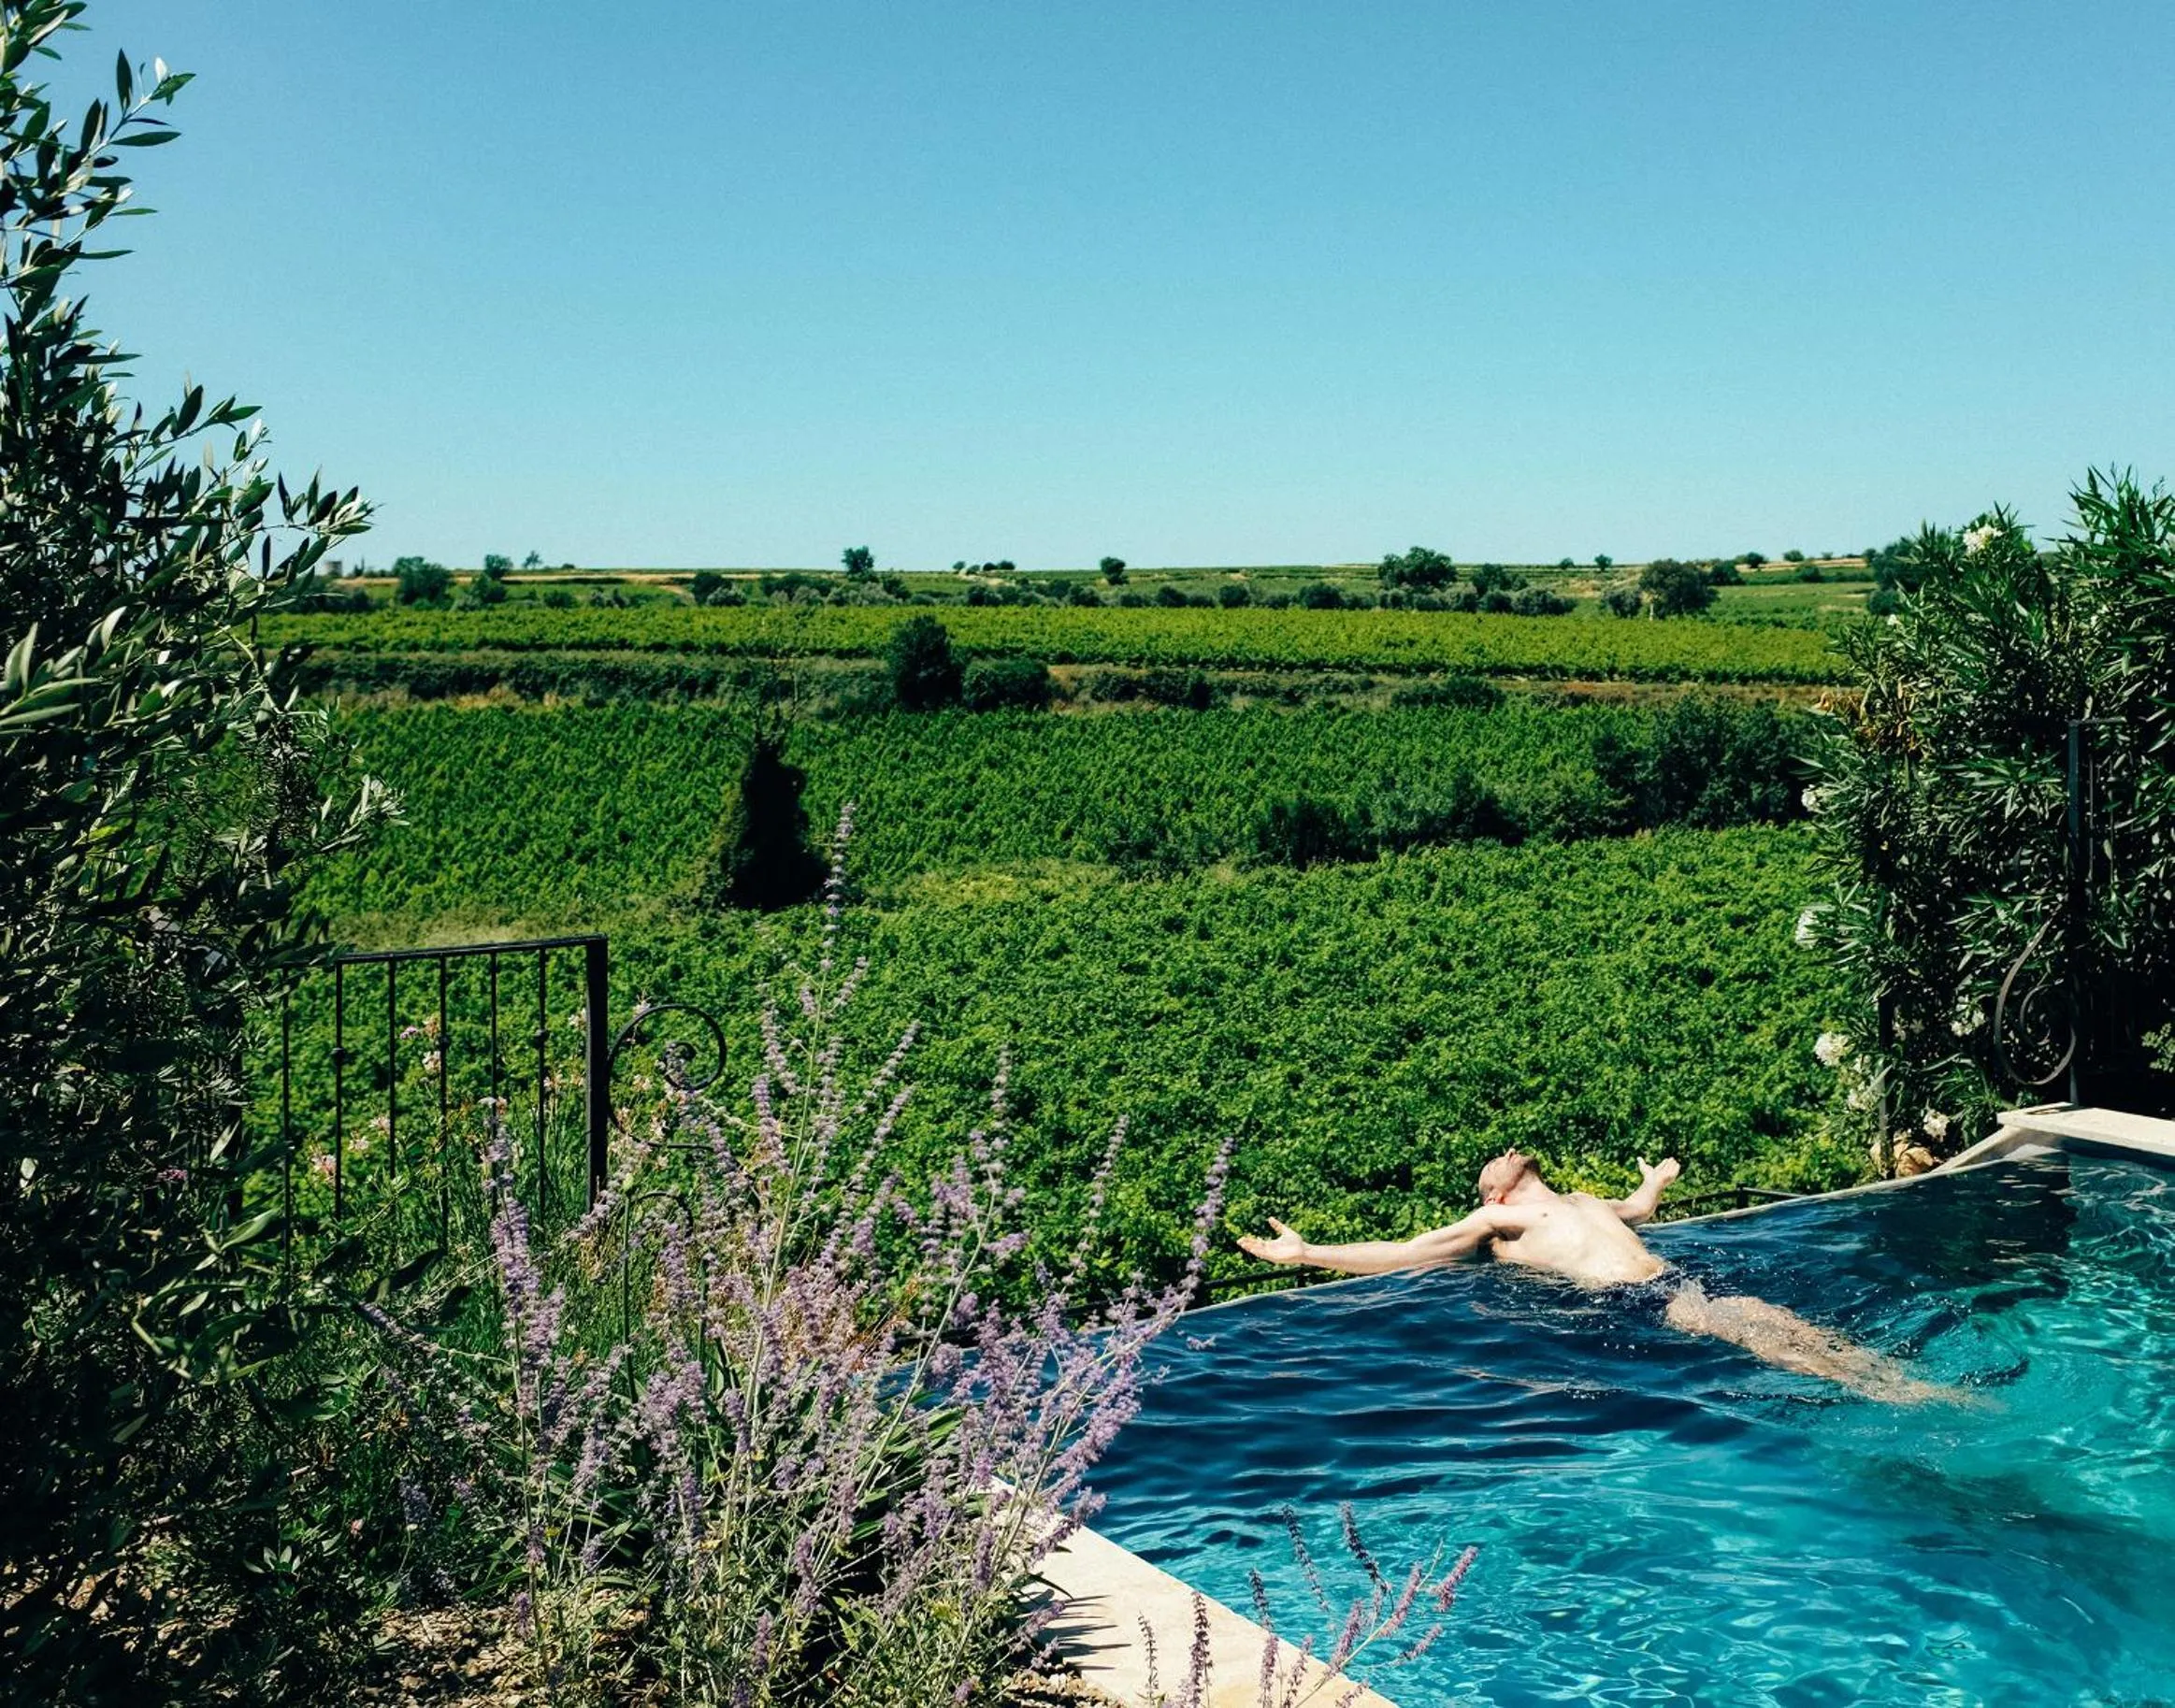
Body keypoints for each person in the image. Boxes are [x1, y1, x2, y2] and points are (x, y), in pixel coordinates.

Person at [1238, 1148, 1956, 1404]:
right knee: (1755, 1334)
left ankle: (1885, 1374)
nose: (1507, 1150)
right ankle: (1879, 1390)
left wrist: (1657, 1181)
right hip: (1635, 1300)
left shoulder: (1581, 1199)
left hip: (1672, 1276)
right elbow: (1404, 1250)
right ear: (1493, 1191)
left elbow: (1638, 1208)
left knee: (1777, 1319)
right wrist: (1308, 1254)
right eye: (1495, 1160)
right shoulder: (1496, 1223)